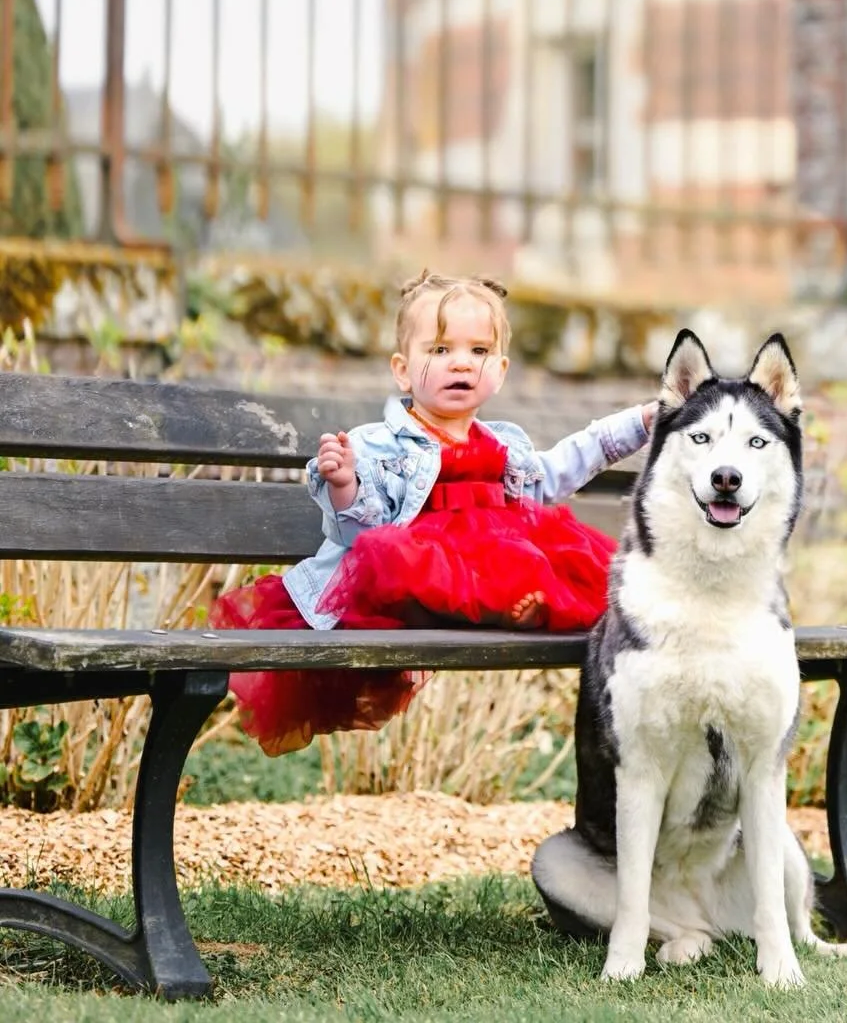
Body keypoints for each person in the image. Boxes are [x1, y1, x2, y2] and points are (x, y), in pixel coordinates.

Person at [209, 270, 655, 755]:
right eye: (440, 351)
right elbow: (360, 535)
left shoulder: (506, 446)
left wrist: (639, 424)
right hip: (425, 564)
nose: (460, 364)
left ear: (500, 370)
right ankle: (441, 609)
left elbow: (559, 470)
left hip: (495, 568)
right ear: (403, 369)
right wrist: (345, 485)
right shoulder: (374, 445)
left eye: (478, 352)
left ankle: (516, 607)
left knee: (557, 559)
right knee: (389, 554)